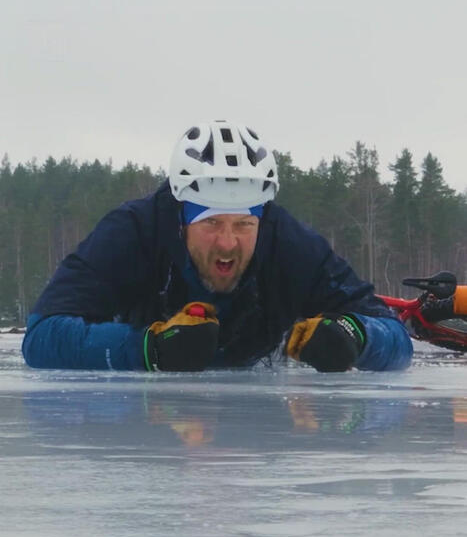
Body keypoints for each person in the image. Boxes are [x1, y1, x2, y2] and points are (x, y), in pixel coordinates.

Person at [22, 120, 413, 372]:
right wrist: (148, 349)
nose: (228, 242)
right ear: (180, 218)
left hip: (257, 435)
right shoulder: (133, 232)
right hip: (153, 435)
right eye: (211, 223)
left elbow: (395, 338)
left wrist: (355, 336)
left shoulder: (289, 243)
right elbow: (41, 337)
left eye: (244, 223)